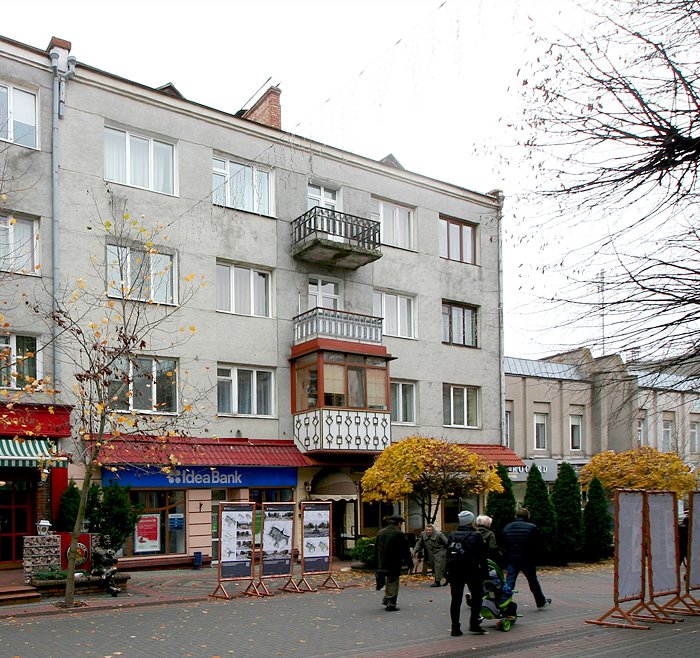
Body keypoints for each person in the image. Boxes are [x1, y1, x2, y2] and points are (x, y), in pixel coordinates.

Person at [446, 510, 488, 636]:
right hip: (472, 570)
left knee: (456, 599)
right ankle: (474, 623)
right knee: (477, 596)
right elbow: (482, 556)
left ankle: (455, 627)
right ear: (471, 521)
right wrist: (485, 574)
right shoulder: (476, 535)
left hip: (455, 570)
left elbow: (448, 553)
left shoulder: (452, 535)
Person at [501, 508, 551, 609]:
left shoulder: (508, 527)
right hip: (527, 559)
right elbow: (538, 543)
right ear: (527, 516)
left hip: (512, 558)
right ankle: (540, 601)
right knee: (533, 581)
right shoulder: (532, 527)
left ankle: (503, 601)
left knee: (510, 580)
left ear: (516, 515)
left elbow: (503, 542)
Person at [374, 514, 413, 612]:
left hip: (382, 562)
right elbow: (405, 550)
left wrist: (376, 562)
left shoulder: (381, 532)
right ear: (398, 523)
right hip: (394, 562)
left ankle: (387, 598)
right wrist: (410, 564)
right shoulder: (399, 534)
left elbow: (376, 548)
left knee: (387, 580)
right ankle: (391, 602)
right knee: (393, 581)